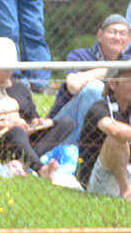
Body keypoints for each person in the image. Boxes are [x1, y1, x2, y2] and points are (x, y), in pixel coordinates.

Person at [0, 36, 71, 178]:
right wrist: (8, 124)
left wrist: (39, 123)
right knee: (16, 131)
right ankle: (41, 168)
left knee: (66, 122)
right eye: (3, 68)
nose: (8, 72)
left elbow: (32, 118)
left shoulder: (20, 88)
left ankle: (24, 162)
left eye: (10, 68)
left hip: (24, 135)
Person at [45, 14, 131, 143]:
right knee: (95, 88)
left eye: (122, 33)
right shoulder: (80, 55)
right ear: (99, 35)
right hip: (66, 123)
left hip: (106, 126)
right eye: (112, 32)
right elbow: (73, 86)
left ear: (129, 40)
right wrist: (112, 69)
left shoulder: (127, 63)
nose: (117, 37)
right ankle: (77, 150)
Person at [74, 66, 131, 199]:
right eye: (129, 80)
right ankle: (126, 192)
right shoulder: (99, 108)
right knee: (115, 139)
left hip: (127, 171)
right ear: (112, 83)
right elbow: (115, 131)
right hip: (99, 180)